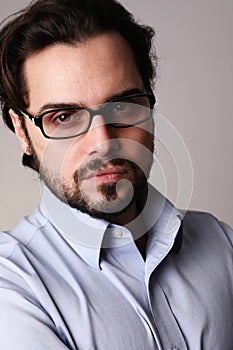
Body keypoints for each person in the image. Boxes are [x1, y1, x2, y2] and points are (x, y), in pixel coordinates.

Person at [0, 0, 232, 349]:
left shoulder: (221, 243)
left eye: (122, 106)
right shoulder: (13, 287)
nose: (104, 143)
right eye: (64, 117)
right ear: (22, 131)